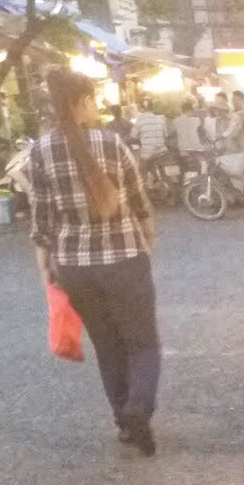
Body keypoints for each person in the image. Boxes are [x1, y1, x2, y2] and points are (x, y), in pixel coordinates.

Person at [27, 68, 160, 455]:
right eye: (94, 100)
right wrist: (147, 237)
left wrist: (45, 268)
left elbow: (42, 219)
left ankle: (124, 420)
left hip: (75, 267)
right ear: (82, 101)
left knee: (107, 345)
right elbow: (138, 199)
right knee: (143, 343)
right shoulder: (112, 142)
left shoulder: (41, 150)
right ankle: (139, 408)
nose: (97, 107)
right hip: (125, 260)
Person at [212, 97, 244, 214]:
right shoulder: (218, 120)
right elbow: (217, 135)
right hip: (227, 153)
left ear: (222, 109)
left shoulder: (235, 117)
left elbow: (232, 132)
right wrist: (216, 146)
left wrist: (220, 137)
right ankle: (228, 199)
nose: (215, 112)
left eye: (217, 109)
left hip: (241, 152)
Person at [129, 100, 169, 166]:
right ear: (152, 108)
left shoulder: (140, 120)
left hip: (147, 153)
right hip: (162, 151)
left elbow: (133, 136)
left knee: (140, 168)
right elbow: (166, 135)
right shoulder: (160, 120)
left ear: (141, 109)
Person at [172, 98, 206, 169]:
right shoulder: (197, 120)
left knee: (184, 168)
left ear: (182, 110)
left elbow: (174, 134)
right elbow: (202, 132)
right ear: (190, 110)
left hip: (183, 150)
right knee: (202, 165)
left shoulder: (175, 121)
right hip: (196, 149)